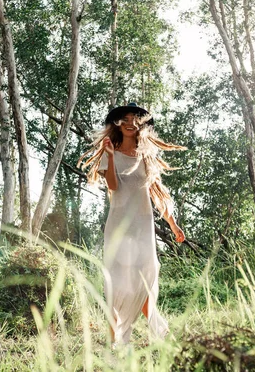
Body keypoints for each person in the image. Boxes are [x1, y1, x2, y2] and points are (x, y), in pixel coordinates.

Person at [79, 102, 186, 345]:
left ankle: (161, 333)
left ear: (141, 125)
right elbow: (113, 186)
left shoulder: (146, 156)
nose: (129, 123)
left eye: (135, 119)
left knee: (145, 279)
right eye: (124, 119)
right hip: (119, 226)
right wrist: (108, 155)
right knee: (116, 284)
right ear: (117, 124)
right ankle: (114, 341)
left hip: (143, 225)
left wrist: (172, 223)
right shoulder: (110, 155)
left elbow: (156, 192)